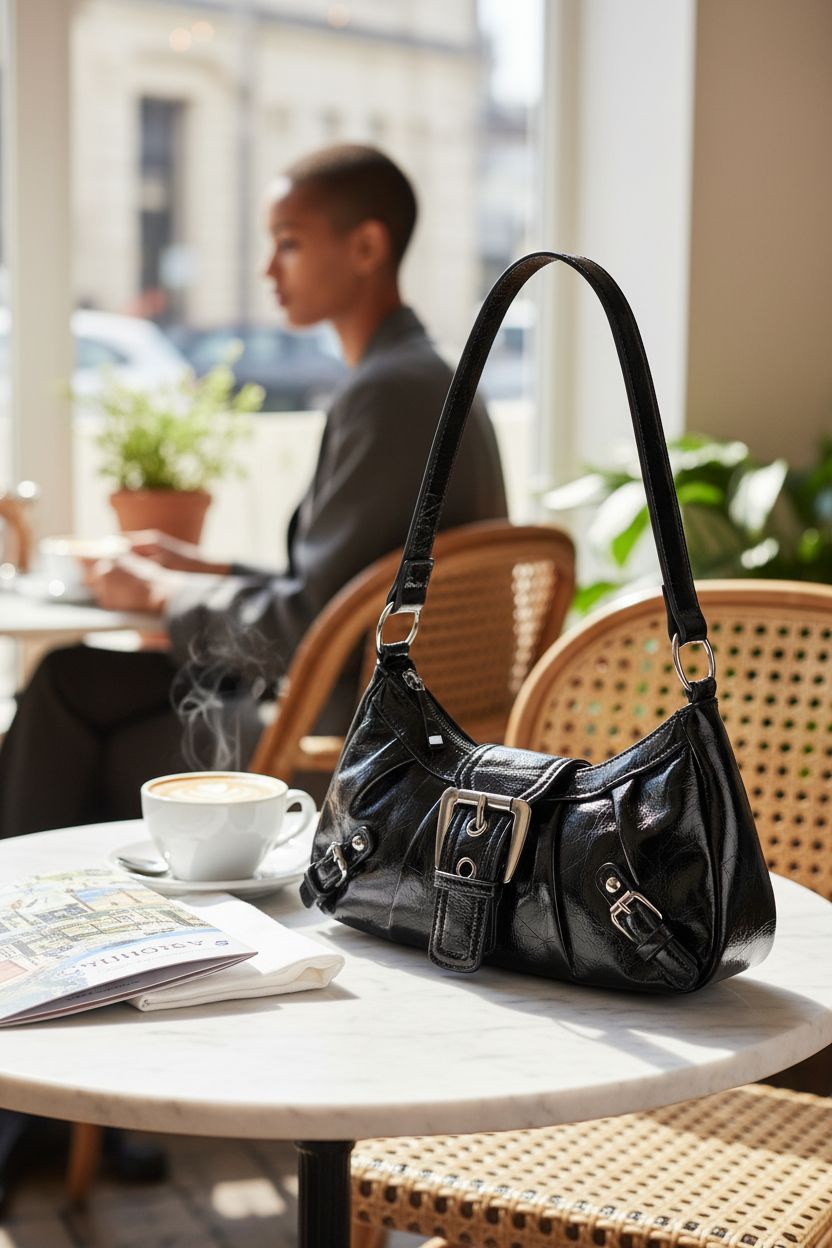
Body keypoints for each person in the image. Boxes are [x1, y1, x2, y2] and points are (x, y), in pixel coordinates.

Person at [0, 144, 507, 840]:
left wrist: (161, 592)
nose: (268, 269)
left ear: (366, 247)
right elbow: (342, 590)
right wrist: (205, 568)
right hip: (381, 718)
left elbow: (307, 624)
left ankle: (29, 892)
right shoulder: (423, 377)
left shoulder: (389, 393)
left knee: (69, 707)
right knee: (73, 680)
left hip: (337, 745)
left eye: (288, 244)